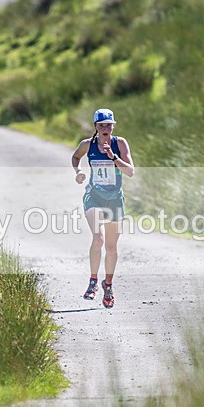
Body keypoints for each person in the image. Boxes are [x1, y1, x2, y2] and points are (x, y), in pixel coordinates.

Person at [71, 108, 135, 308]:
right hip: (94, 196)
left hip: (115, 199)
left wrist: (113, 156)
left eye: (109, 125)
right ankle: (92, 282)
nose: (105, 128)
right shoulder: (87, 145)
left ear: (113, 126)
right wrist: (79, 172)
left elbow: (130, 172)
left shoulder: (120, 143)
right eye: (101, 125)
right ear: (96, 127)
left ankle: (108, 285)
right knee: (98, 238)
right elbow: (75, 158)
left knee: (111, 247)